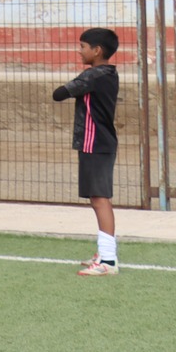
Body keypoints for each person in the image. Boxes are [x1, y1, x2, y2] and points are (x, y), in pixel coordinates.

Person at [54, 28, 122, 276]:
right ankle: (104, 253)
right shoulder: (106, 74)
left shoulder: (93, 76)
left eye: (83, 46)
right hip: (96, 143)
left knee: (100, 198)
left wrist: (77, 83)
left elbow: (59, 94)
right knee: (97, 198)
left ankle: (109, 261)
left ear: (97, 51)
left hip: (97, 144)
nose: (79, 50)